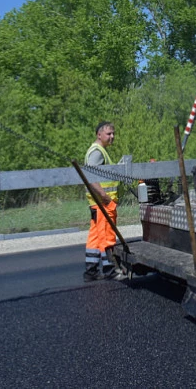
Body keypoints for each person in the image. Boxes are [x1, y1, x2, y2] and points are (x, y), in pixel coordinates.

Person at [83, 121, 121, 282]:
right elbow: (91, 178)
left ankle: (91, 271)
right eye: (108, 134)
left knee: (96, 237)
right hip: (102, 203)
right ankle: (109, 269)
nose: (112, 136)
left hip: (97, 203)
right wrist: (104, 197)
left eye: (113, 134)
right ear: (99, 135)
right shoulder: (97, 152)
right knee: (106, 236)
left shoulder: (100, 151)